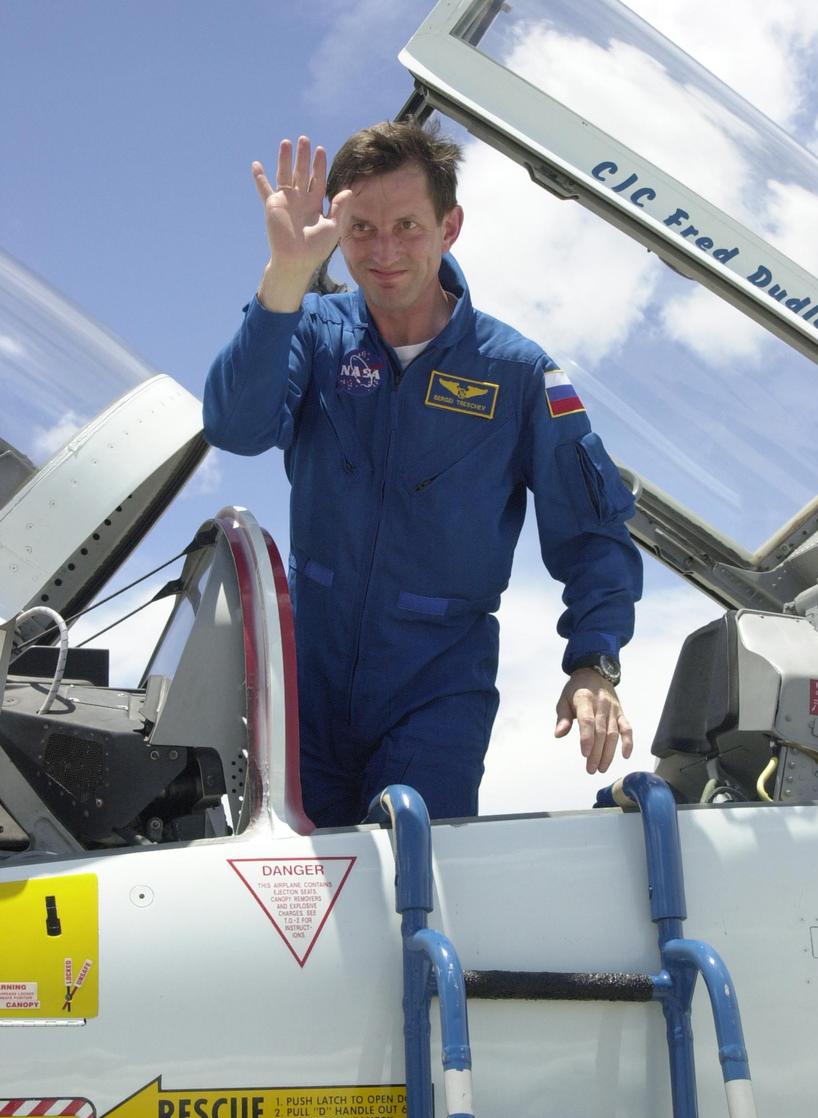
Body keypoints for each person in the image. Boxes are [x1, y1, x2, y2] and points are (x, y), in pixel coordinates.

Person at [203, 122, 643, 827]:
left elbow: (592, 531)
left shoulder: (518, 372)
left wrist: (593, 660)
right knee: (293, 907)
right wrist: (284, 274)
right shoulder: (308, 330)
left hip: (434, 689)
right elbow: (236, 427)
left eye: (407, 226)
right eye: (361, 228)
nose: (382, 252)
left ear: (450, 226)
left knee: (412, 881)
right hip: (302, 688)